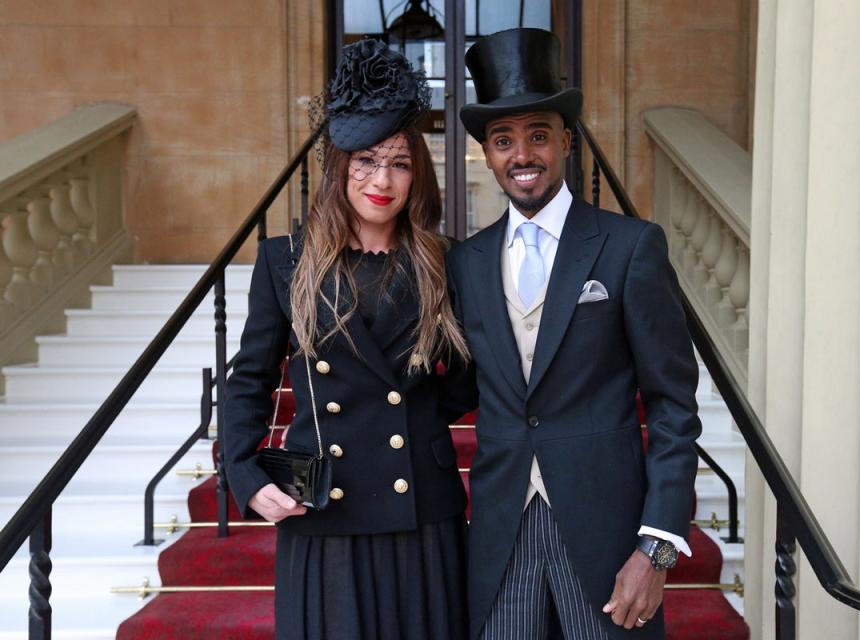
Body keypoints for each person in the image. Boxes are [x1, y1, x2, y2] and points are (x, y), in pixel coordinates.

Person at [446, 28, 703, 640]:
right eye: (503, 140)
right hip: (502, 529)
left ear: (566, 140)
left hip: (609, 539)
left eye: (538, 134)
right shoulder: (465, 263)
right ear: (486, 153)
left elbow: (673, 405)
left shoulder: (629, 247)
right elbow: (454, 389)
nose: (522, 154)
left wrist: (657, 549)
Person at [223, 38, 475, 640]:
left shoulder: (448, 264)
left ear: (419, 173)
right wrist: (243, 473)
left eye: (399, 162)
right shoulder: (285, 263)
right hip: (324, 508)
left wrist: (415, 421)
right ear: (338, 168)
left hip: (421, 506)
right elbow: (250, 381)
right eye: (364, 161)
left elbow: (465, 384)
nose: (381, 179)